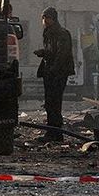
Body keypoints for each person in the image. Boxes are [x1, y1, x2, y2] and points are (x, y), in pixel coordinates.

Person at [34, 7, 75, 140]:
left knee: (54, 102)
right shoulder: (48, 33)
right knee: (49, 103)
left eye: (48, 18)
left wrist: (53, 69)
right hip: (50, 72)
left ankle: (55, 133)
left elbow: (62, 54)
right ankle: (52, 132)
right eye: (44, 18)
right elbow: (52, 51)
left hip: (58, 73)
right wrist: (44, 53)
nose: (45, 20)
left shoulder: (61, 33)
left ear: (54, 19)